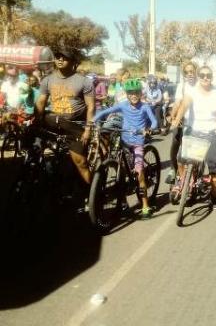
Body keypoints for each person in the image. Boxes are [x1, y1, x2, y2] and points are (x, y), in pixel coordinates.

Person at [93, 79, 158, 218]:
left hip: (138, 142)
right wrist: (93, 121)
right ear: (126, 94)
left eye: (136, 93)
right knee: (121, 169)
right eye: (130, 93)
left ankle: (145, 205)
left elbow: (154, 122)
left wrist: (148, 129)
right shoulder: (123, 105)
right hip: (125, 141)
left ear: (141, 93)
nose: (133, 96)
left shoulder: (145, 107)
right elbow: (105, 112)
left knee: (139, 173)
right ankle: (122, 202)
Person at [35, 45, 95, 185]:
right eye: (57, 57)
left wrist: (88, 129)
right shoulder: (47, 80)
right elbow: (41, 102)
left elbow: (91, 107)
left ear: (73, 62)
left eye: (65, 57)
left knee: (80, 162)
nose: (60, 59)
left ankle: (92, 193)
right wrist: (37, 121)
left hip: (74, 127)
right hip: (53, 124)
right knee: (37, 152)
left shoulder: (84, 81)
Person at [170, 65, 216, 203]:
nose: (205, 78)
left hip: (211, 131)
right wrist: (176, 120)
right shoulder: (192, 91)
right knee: (181, 159)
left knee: (213, 169)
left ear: (212, 77)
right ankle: (184, 183)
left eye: (208, 75)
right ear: (198, 77)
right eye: (202, 75)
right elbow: (184, 105)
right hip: (193, 131)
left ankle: (214, 196)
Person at [165, 61, 198, 185]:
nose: (189, 74)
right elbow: (178, 102)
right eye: (186, 72)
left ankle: (194, 174)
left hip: (198, 122)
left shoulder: (201, 84)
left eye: (191, 71)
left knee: (194, 151)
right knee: (175, 142)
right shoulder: (182, 86)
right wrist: (173, 116)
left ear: (196, 71)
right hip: (183, 120)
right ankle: (173, 169)